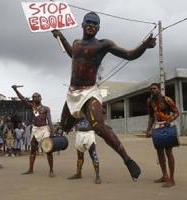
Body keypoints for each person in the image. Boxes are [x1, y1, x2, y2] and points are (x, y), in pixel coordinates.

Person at [51, 11, 156, 180]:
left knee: (99, 128)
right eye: (89, 22)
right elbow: (73, 55)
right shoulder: (76, 44)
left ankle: (127, 160)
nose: (92, 25)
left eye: (95, 23)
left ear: (99, 27)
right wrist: (61, 37)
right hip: (72, 93)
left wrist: (144, 46)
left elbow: (129, 55)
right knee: (63, 127)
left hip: (90, 91)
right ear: (83, 24)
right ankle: (80, 119)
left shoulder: (103, 45)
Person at [12, 85, 54, 177]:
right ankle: (31, 169)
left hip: (44, 129)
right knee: (33, 149)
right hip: (35, 129)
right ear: (33, 99)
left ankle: (51, 170)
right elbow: (22, 99)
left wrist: (52, 130)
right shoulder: (31, 106)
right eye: (34, 96)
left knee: (48, 150)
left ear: (41, 98)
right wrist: (16, 90)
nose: (36, 97)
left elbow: (49, 120)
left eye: (38, 96)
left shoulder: (46, 108)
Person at [146, 83, 179, 187]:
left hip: (167, 127)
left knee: (168, 152)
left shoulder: (167, 99)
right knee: (159, 153)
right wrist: (148, 130)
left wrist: (170, 120)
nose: (153, 90)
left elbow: (176, 112)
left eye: (155, 88)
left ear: (159, 89)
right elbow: (151, 117)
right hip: (157, 127)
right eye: (151, 89)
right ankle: (165, 176)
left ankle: (172, 179)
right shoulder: (150, 101)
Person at [68, 117, 101, 184]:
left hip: (89, 134)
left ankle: (97, 176)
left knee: (93, 155)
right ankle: (78, 173)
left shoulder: (90, 109)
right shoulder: (76, 111)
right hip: (79, 134)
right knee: (80, 156)